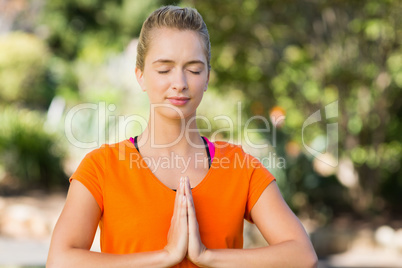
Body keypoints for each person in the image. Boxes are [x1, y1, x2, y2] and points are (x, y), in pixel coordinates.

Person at [47, 5, 317, 268]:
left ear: (208, 76)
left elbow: (303, 256)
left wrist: (207, 257)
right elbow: (60, 261)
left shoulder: (239, 166)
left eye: (194, 69)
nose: (180, 83)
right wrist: (165, 257)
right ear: (140, 76)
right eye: (164, 69)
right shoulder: (102, 167)